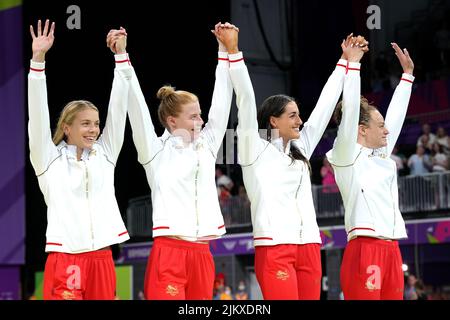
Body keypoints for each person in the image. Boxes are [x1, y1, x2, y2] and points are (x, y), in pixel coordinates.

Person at [228, 31, 368, 299]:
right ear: (272, 121)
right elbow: (245, 101)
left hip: (310, 247)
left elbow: (325, 107)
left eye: (298, 115)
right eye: (292, 116)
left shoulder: (300, 148)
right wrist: (234, 54)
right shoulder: (253, 149)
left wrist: (345, 61)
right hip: (274, 247)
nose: (299, 121)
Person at [115, 23, 240, 300]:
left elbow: (222, 101)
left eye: (200, 114)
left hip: (202, 252)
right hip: (168, 251)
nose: (201, 120)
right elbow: (135, 107)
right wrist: (122, 57)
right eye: (193, 116)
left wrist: (223, 50)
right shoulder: (155, 150)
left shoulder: (206, 145)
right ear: (172, 121)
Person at [28, 20, 130, 300]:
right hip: (66, 258)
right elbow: (36, 118)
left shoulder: (105, 155)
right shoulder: (47, 159)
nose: (94, 130)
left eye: (96, 124)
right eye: (85, 124)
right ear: (66, 128)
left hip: (102, 259)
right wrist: (38, 61)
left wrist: (121, 58)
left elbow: (119, 110)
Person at [326, 42, 415, 299]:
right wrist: (353, 66)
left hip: (391, 248)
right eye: (379, 125)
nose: (386, 131)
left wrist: (407, 77)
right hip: (365, 246)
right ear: (362, 129)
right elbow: (351, 111)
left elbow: (396, 120)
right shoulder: (345, 155)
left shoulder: (381, 155)